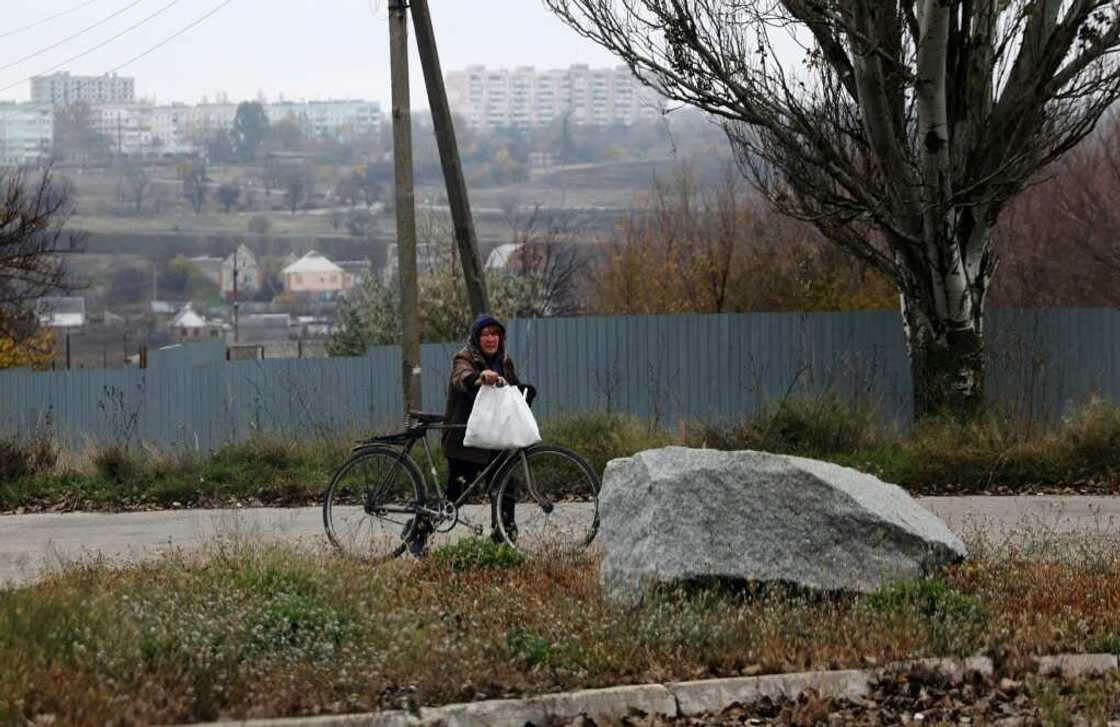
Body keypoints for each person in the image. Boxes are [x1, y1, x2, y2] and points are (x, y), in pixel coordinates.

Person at [407, 313, 531, 556]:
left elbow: (510, 389)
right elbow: (461, 378)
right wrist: (479, 378)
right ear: (476, 338)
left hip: (495, 437)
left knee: (505, 487)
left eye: (495, 334)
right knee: (456, 495)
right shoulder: (464, 358)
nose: (490, 339)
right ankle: (417, 532)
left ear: (501, 338)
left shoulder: (504, 360)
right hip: (466, 439)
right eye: (485, 334)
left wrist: (525, 390)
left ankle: (504, 542)